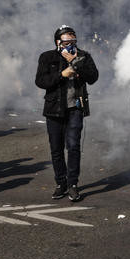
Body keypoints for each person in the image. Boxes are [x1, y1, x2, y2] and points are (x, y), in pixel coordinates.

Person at [35, 25, 99, 202]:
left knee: (73, 146)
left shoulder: (84, 55)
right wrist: (62, 74)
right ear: (58, 42)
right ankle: (60, 183)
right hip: (54, 109)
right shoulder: (47, 57)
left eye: (73, 40)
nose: (70, 44)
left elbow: (93, 77)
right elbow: (40, 81)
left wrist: (77, 63)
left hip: (75, 109)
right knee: (56, 148)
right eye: (66, 41)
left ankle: (73, 184)